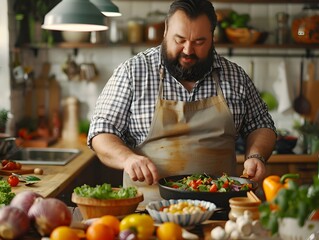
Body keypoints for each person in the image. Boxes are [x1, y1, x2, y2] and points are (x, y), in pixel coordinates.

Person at [88, 0, 277, 205]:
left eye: (199, 42)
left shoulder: (235, 76)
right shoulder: (133, 72)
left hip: (222, 211)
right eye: (180, 40)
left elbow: (261, 125)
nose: (188, 50)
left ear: (212, 38)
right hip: (147, 211)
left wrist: (257, 155)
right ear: (166, 31)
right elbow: (101, 132)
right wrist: (127, 158)